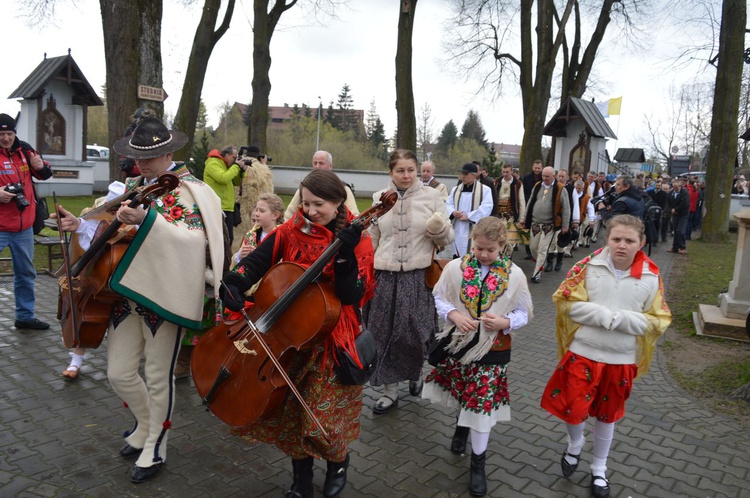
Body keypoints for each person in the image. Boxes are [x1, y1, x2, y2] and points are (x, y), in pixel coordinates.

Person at [57, 117, 225, 484]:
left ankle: (156, 444)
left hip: (165, 296)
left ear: (168, 153)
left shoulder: (193, 190)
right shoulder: (134, 184)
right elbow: (107, 225)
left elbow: (196, 243)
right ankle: (148, 426)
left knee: (157, 375)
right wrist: (80, 225)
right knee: (118, 372)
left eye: (147, 158)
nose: (140, 164)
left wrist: (149, 220)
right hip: (123, 293)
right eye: (136, 156)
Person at [221, 168, 374, 498]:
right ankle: (301, 480)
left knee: (323, 414)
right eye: (305, 204)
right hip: (288, 333)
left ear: (338, 204)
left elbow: (352, 294)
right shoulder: (292, 230)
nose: (311, 212)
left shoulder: (357, 239)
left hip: (332, 336)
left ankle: (338, 462)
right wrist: (235, 282)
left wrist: (345, 254)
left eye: (319, 204)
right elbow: (260, 261)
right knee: (292, 413)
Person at [540, 214, 671, 498]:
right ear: (607, 239)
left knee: (606, 417)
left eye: (629, 240)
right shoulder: (587, 266)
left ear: (642, 242)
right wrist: (603, 315)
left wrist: (619, 319)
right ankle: (575, 444)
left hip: (620, 359)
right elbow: (566, 302)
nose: (621, 245)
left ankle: (599, 468)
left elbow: (657, 320)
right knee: (572, 408)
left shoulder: (651, 276)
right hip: (582, 352)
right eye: (616, 239)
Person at [423, 217, 533, 497]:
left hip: (493, 350)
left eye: (490, 250)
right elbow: (440, 297)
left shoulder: (515, 275)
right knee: (464, 393)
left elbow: (524, 312)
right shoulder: (455, 268)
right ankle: (461, 429)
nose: (483, 254)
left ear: (502, 246)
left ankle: (478, 464)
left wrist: (505, 323)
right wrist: (454, 314)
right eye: (478, 248)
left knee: (481, 406)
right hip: (461, 345)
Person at [365, 149, 454, 414]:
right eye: (400, 170)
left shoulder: (433, 196)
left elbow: (446, 239)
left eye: (411, 170)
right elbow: (372, 239)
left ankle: (414, 373)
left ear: (417, 171)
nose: (406, 175)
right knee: (383, 334)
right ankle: (390, 391)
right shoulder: (379, 199)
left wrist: (439, 232)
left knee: (416, 334)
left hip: (417, 278)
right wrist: (366, 270)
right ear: (390, 172)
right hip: (385, 276)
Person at [0, 113, 53, 330]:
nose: (5, 138)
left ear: (15, 133)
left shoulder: (25, 150)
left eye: (9, 133)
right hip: (1, 225)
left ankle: (25, 316)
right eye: (1, 134)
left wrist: (40, 166)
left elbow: (45, 174)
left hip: (24, 227)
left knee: (25, 273)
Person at [523, 166, 570, 283]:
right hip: (535, 224)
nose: (544, 178)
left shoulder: (560, 188)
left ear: (554, 176)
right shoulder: (538, 185)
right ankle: (539, 262)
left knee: (543, 249)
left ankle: (537, 274)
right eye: (543, 175)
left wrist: (565, 225)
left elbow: (566, 208)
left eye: (547, 176)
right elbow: (530, 203)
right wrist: (524, 218)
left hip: (549, 225)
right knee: (533, 248)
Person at [283, 150, 358, 221]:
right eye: (315, 163)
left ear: (330, 166)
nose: (317, 166)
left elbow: (354, 216)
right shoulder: (304, 188)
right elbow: (289, 215)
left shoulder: (342, 188)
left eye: (321, 163)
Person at [446, 163, 494, 258]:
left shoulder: (485, 190)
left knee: (472, 257)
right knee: (457, 257)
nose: (462, 176)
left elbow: (487, 207)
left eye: (465, 174)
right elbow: (448, 204)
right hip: (458, 228)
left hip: (474, 229)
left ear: (474, 175)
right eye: (461, 174)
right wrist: (452, 212)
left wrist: (469, 216)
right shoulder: (455, 190)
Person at [203, 145, 249, 245]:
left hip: (227, 207)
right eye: (234, 157)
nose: (235, 160)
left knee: (228, 239)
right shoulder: (213, 163)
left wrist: (242, 171)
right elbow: (223, 178)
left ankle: (225, 259)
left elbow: (236, 182)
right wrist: (236, 166)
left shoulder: (226, 165)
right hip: (218, 207)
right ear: (227, 155)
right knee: (222, 240)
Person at [493, 163, 526, 256]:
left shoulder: (518, 184)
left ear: (511, 171)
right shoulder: (497, 182)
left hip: (511, 215)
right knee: (499, 238)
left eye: (507, 172)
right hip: (499, 215)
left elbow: (521, 201)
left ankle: (508, 256)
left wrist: (521, 218)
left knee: (511, 240)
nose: (505, 174)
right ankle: (499, 257)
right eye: (503, 172)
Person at [118, 107, 155, 178]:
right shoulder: (131, 130)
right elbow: (126, 150)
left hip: (137, 166)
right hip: (134, 167)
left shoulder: (149, 130)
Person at [521, 159, 543, 259]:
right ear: (532, 168)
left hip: (539, 205)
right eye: (535, 168)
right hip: (528, 203)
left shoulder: (543, 179)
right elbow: (524, 191)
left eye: (539, 168)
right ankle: (528, 251)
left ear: (541, 168)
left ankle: (536, 249)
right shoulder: (527, 178)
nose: (537, 170)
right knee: (527, 227)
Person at [667, 178, 690, 255]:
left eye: (677, 187)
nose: (675, 189)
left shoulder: (684, 193)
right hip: (675, 214)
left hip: (683, 214)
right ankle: (675, 247)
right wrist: (671, 209)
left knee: (681, 231)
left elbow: (685, 203)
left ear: (680, 186)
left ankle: (682, 247)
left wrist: (676, 209)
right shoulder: (670, 193)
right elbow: (668, 202)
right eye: (674, 187)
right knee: (676, 231)